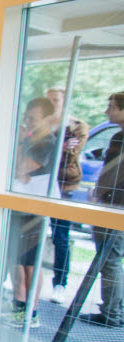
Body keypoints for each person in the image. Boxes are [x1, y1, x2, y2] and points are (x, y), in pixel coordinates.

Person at [3, 98, 57, 328]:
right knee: (17, 260)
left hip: (34, 211)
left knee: (31, 264)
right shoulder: (29, 140)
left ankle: (31, 311)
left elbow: (21, 167)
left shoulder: (46, 142)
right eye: (26, 116)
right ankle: (19, 305)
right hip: (19, 209)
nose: (28, 121)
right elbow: (11, 167)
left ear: (47, 118)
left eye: (32, 118)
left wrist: (19, 169)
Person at [79, 92, 124, 328]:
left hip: (114, 206)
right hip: (114, 204)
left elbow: (113, 174)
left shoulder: (120, 138)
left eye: (112, 107)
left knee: (110, 258)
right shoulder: (118, 137)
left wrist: (99, 194)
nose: (107, 112)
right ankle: (115, 310)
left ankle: (112, 313)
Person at [45, 87, 89, 304]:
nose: (53, 104)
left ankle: (60, 284)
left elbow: (70, 155)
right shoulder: (42, 125)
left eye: (56, 100)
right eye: (49, 100)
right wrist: (57, 147)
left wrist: (56, 149)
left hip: (64, 187)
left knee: (61, 237)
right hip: (40, 184)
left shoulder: (77, 127)